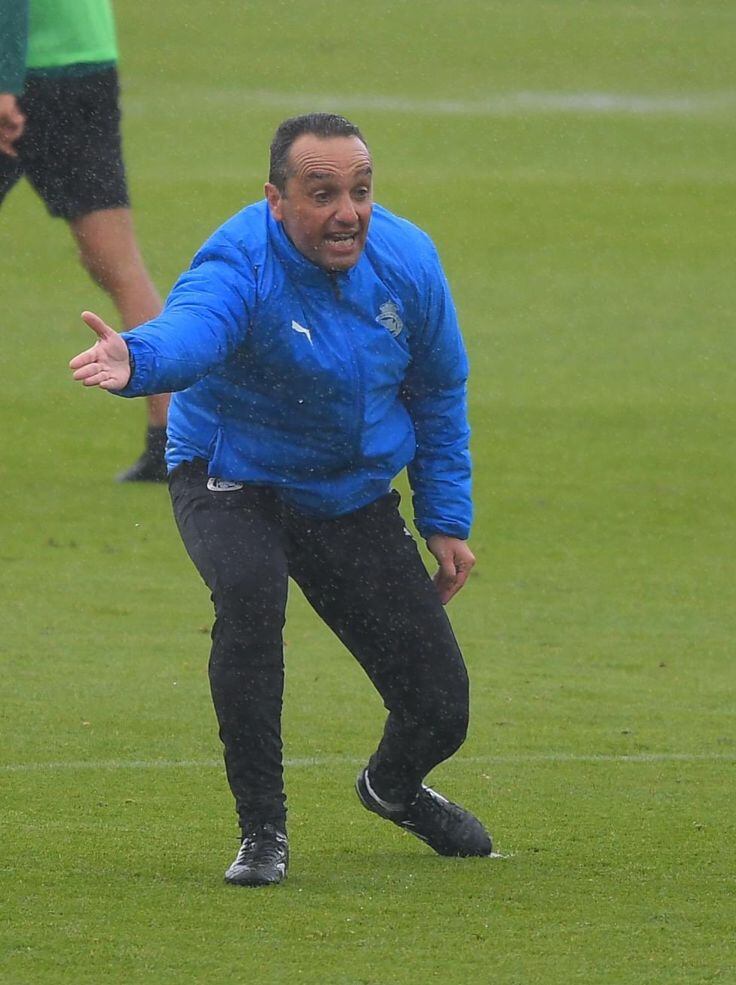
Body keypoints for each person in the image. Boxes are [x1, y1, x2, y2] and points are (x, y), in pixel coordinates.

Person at [69, 112, 493, 886]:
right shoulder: (239, 260)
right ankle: (263, 829)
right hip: (232, 477)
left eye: (360, 191)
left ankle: (392, 789)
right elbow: (195, 329)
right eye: (322, 192)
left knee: (440, 706)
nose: (347, 212)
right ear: (276, 199)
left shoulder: (408, 261)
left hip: (347, 493)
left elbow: (438, 388)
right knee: (250, 596)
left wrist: (444, 517)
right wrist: (140, 358)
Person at [1, 0, 168, 481]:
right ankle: (171, 443)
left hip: (20, 71)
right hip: (85, 58)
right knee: (117, 264)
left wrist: (6, 81)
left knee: (115, 262)